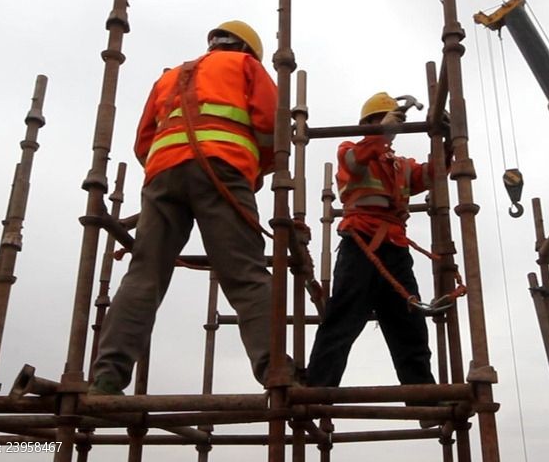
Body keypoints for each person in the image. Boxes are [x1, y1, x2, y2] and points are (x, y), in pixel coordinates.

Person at [90, 20, 278, 394]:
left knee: (144, 274)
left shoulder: (170, 77)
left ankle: (106, 375)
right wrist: (254, 169)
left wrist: (170, 165)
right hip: (223, 169)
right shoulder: (246, 67)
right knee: (244, 273)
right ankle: (275, 370)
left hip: (163, 173)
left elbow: (144, 141)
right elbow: (273, 127)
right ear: (248, 50)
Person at [306, 92, 442, 392]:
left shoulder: (400, 165)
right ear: (368, 124)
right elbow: (355, 161)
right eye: (384, 120)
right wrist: (380, 134)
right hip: (361, 245)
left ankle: (423, 397)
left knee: (410, 325)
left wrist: (443, 141)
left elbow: (431, 175)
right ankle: (317, 390)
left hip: (394, 248)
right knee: (342, 320)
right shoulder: (351, 150)